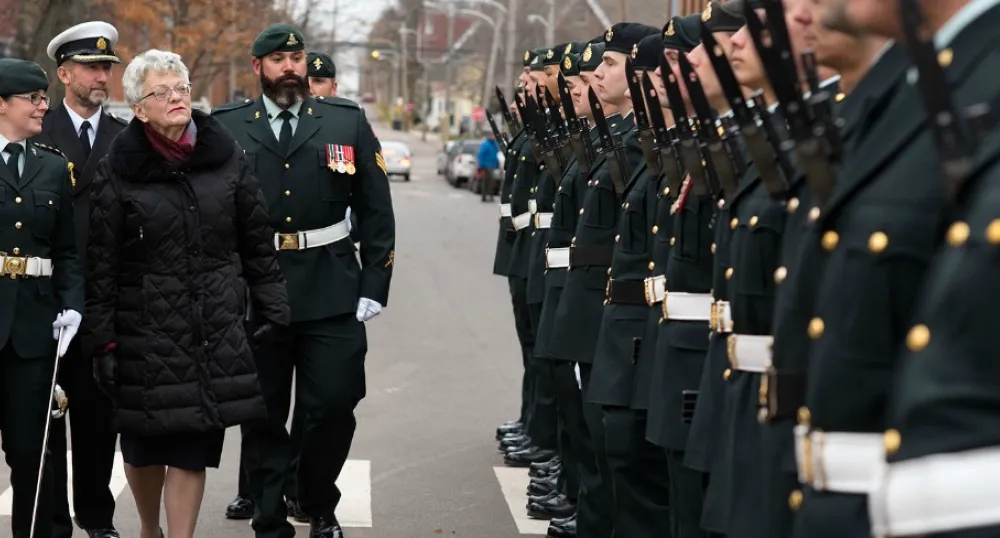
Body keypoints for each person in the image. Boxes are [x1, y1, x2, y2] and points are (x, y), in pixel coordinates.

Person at [82, 49, 291, 538]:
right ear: (138, 108)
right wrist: (103, 341)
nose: (176, 98)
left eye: (181, 89)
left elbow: (257, 242)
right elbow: (102, 264)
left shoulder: (226, 157)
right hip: (142, 330)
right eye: (162, 92)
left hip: (211, 327)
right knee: (142, 447)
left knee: (193, 448)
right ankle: (149, 529)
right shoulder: (118, 169)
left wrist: (273, 308)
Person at [212, 23, 395, 538]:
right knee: (264, 415)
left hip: (332, 286)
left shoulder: (345, 122)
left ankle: (316, 499)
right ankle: (270, 519)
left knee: (334, 405)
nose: (290, 67)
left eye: (297, 58)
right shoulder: (227, 127)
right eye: (278, 59)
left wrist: (374, 285)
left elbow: (377, 210)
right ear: (258, 68)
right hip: (256, 291)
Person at [32, 20, 129, 538]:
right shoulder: (37, 131)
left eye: (107, 68)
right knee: (45, 422)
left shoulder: (125, 138)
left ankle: (97, 518)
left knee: (97, 421)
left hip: (102, 302)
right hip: (46, 300)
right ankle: (51, 524)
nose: (101, 77)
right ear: (64, 73)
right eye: (91, 68)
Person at [0, 57, 84, 538]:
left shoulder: (53, 168)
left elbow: (67, 250)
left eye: (42, 96)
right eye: (32, 98)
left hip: (33, 329)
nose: (42, 105)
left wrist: (71, 302)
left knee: (33, 450)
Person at [477, 132, 500, 201]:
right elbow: (481, 155)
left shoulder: (495, 144)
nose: (493, 137)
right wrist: (481, 165)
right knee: (487, 181)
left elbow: (496, 155)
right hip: (486, 166)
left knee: (491, 181)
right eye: (492, 136)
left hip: (492, 165)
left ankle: (490, 195)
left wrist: (497, 163)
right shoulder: (486, 145)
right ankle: (484, 196)